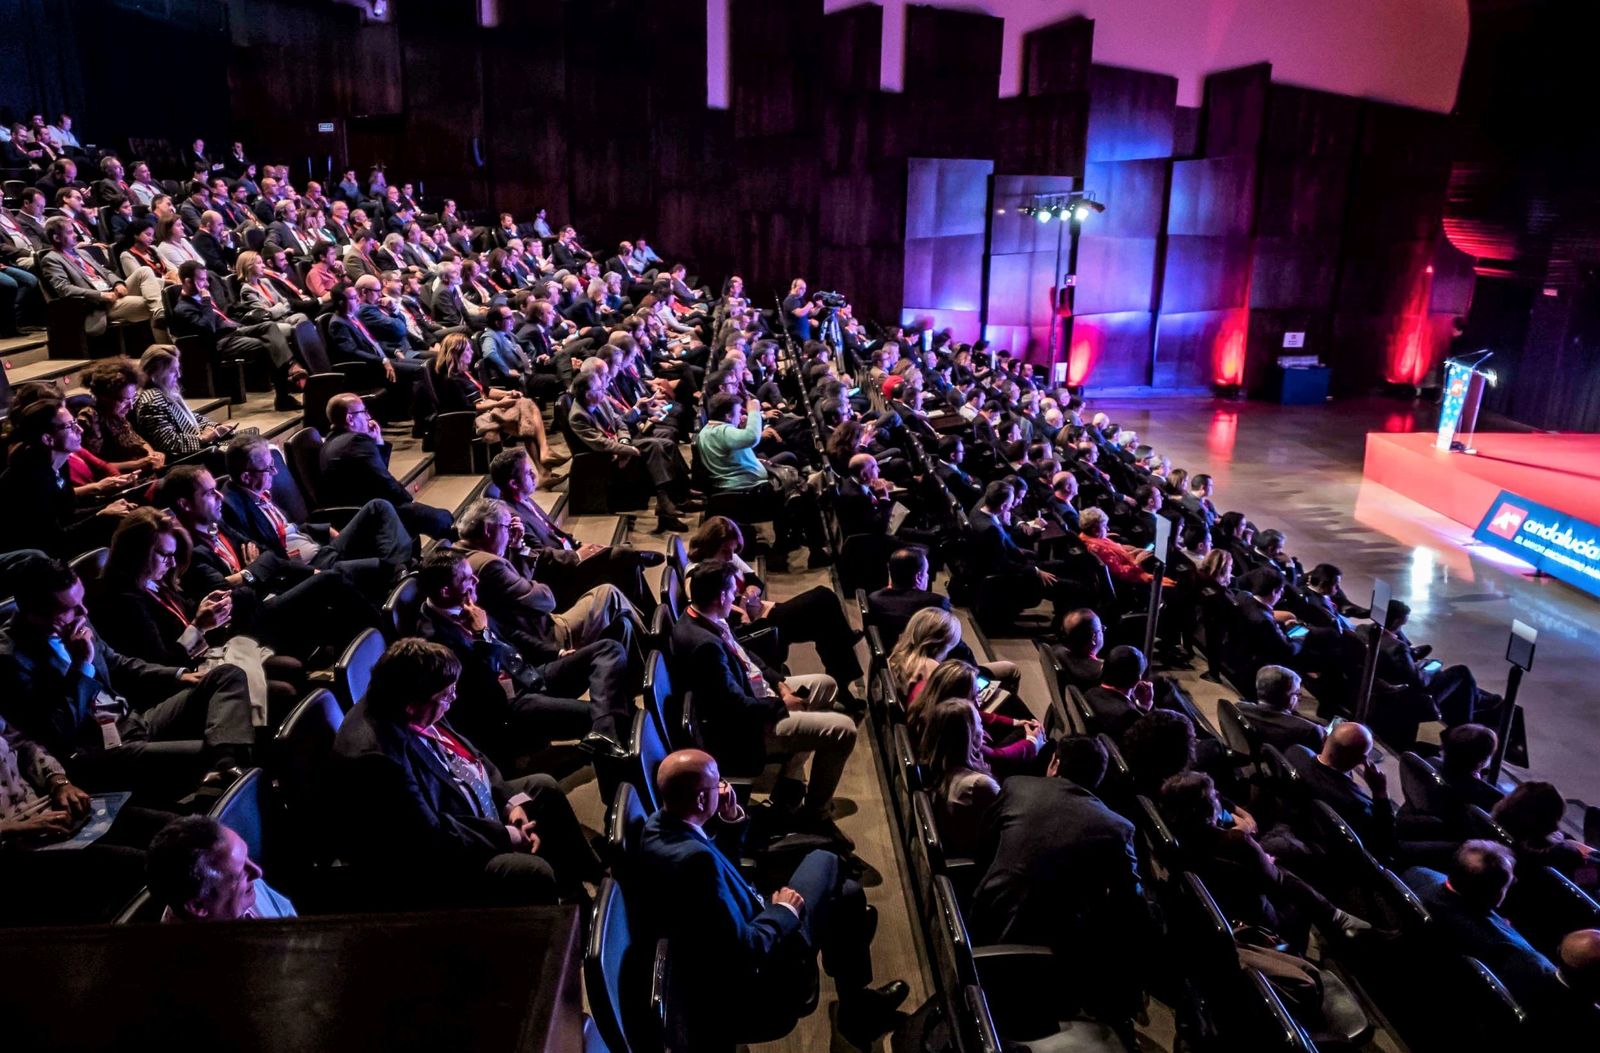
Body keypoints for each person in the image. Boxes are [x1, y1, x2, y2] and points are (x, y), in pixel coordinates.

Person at [638, 749, 909, 1050]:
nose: (724, 788)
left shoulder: (659, 825)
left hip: (746, 919)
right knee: (825, 859)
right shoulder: (696, 864)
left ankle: (857, 1007)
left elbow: (721, 875)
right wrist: (784, 910)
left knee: (848, 894)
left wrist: (730, 819)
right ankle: (857, 1009)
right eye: (717, 784)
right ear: (701, 800)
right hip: (762, 964)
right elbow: (746, 949)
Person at [331, 638, 603, 909]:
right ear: (411, 705)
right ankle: (562, 925)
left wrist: (509, 802)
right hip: (438, 862)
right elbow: (431, 836)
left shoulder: (409, 695)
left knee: (543, 788)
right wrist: (506, 834)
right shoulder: (378, 758)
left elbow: (470, 754)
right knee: (531, 872)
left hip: (465, 800)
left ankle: (590, 880)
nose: (453, 698)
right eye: (447, 695)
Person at [0, 558, 255, 802]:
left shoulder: (75, 617)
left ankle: (225, 767)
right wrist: (81, 667)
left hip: (131, 720)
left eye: (81, 601)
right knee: (212, 751)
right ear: (33, 613)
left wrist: (178, 675)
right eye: (70, 609)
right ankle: (225, 774)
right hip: (98, 752)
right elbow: (56, 732)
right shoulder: (10, 659)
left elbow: (117, 663)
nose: (83, 611)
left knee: (226, 675)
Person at [670, 560, 856, 843]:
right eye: (732, 591)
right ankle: (816, 814)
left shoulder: (704, 616)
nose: (736, 597)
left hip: (756, 694)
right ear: (720, 596)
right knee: (844, 731)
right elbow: (734, 708)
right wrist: (782, 706)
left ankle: (790, 782)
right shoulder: (704, 646)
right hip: (746, 729)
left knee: (826, 686)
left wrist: (780, 684)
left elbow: (745, 656)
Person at [969, 735, 1150, 1026]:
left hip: (982, 911)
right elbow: (1130, 901)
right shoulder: (1117, 827)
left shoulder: (1017, 786)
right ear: (1098, 777)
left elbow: (982, 845)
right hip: (1049, 945)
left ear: (1055, 763)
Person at [414, 547, 632, 760]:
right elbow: (484, 688)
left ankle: (604, 733)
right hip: (509, 705)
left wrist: (556, 653)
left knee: (609, 648)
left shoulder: (465, 601)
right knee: (605, 714)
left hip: (528, 674)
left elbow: (512, 635)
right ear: (445, 591)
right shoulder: (433, 641)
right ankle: (607, 736)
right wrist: (482, 635)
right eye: (467, 579)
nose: (476, 581)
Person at [1161, 771, 1371, 952]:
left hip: (1214, 908)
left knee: (1278, 861)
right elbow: (1275, 882)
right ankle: (1321, 933)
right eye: (1214, 795)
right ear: (1208, 808)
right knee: (1290, 877)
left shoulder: (1173, 835)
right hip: (1257, 921)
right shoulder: (1234, 842)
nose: (1218, 797)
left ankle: (1336, 918)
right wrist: (1263, 861)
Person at [0, 709, 173, 926]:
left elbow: (23, 745)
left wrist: (59, 782)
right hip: (11, 843)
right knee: (145, 866)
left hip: (44, 809)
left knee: (174, 831)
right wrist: (14, 827)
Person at [686, 516, 864, 706]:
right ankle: (843, 660)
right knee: (823, 601)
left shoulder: (727, 558)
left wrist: (748, 595)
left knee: (825, 619)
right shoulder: (697, 573)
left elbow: (754, 580)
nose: (731, 556)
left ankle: (841, 675)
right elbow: (704, 608)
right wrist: (743, 609)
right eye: (726, 551)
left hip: (763, 611)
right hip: (754, 628)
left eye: (733, 550)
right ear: (711, 545)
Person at [1403, 841, 1568, 1016]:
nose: (1515, 881)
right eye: (1508, 882)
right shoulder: (1514, 951)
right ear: (1495, 895)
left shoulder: (1416, 875)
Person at [486, 448, 661, 612]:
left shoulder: (523, 499)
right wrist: (577, 555)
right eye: (528, 472)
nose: (534, 474)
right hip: (560, 580)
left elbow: (552, 532)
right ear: (513, 483)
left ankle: (651, 614)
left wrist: (578, 544)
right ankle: (653, 615)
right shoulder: (512, 518)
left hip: (567, 557)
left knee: (624, 563)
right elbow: (538, 557)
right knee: (622, 556)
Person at [0, 400, 137, 556]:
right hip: (37, 555)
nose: (80, 430)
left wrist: (108, 508)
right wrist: (101, 516)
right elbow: (54, 540)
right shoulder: (28, 480)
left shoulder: (60, 463)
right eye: (70, 426)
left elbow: (68, 514)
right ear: (48, 439)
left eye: (75, 422)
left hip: (57, 542)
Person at [566, 370, 697, 533]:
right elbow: (601, 444)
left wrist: (624, 442)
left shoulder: (601, 400)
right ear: (587, 394)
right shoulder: (577, 416)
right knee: (654, 446)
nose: (603, 390)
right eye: (599, 388)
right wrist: (629, 450)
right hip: (606, 459)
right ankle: (666, 503)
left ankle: (679, 495)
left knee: (667, 445)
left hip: (622, 445)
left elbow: (619, 423)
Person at [431, 332, 564, 485]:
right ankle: (544, 457)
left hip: (488, 410)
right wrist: (500, 404)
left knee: (526, 412)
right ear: (456, 353)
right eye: (467, 350)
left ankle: (544, 470)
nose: (472, 352)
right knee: (527, 409)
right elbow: (470, 407)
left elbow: (486, 391)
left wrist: (508, 393)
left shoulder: (465, 372)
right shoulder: (450, 380)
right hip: (474, 419)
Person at [168, 261, 303, 411]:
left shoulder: (201, 296)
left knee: (270, 327)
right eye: (201, 279)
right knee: (267, 345)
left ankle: (291, 367)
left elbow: (224, 315)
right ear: (187, 282)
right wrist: (206, 300)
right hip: (220, 342)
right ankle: (284, 395)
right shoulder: (183, 308)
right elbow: (208, 328)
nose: (206, 283)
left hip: (234, 331)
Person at [319, 393, 455, 539]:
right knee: (442, 518)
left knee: (434, 519)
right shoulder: (356, 441)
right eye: (364, 412)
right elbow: (385, 480)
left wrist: (378, 441)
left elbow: (376, 471)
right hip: (369, 513)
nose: (368, 417)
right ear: (350, 419)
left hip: (357, 510)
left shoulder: (330, 442)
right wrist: (407, 499)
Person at [146, 815, 297, 922]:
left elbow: (288, 915)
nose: (257, 872)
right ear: (198, 906)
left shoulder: (248, 886)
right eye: (240, 875)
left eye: (247, 857)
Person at [1286, 721, 1394, 856]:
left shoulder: (1295, 752)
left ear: (1325, 739)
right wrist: (1380, 793)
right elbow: (1385, 843)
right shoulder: (1356, 804)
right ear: (1362, 760)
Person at [36, 216, 154, 338]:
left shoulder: (82, 253)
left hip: (113, 292)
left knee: (144, 271)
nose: (76, 235)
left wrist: (118, 283)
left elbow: (105, 272)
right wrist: (101, 295)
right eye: (70, 232)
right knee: (152, 304)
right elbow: (64, 289)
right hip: (99, 305)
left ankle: (159, 315)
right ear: (56, 238)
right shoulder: (51, 259)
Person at [920, 699, 999, 857]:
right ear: (968, 735)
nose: (983, 729)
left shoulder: (934, 769)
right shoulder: (979, 785)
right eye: (979, 723)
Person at [132, 345, 239, 458]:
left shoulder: (163, 391)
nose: (178, 375)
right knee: (239, 453)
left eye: (177, 369)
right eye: (172, 371)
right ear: (155, 374)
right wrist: (203, 438)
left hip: (196, 449)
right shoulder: (152, 400)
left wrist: (216, 427)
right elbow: (168, 442)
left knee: (243, 442)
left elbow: (192, 418)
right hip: (183, 459)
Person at [1492, 781, 1599, 890]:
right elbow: (1589, 883)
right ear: (1550, 820)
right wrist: (1568, 846)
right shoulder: (1563, 855)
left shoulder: (1497, 830)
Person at [74, 358, 166, 475]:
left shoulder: (117, 414)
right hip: (121, 480)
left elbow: (137, 440)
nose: (130, 406)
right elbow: (94, 466)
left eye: (132, 399)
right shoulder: (90, 417)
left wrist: (152, 455)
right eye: (124, 400)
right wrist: (138, 464)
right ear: (104, 397)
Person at [1238, 665, 1325, 753]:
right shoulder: (1309, 731)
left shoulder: (1239, 708)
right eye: (1297, 693)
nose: (1299, 698)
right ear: (1284, 697)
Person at [1050, 608, 1105, 692]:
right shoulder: (1100, 673)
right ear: (1094, 638)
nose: (1103, 630)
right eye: (1101, 628)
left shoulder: (1055, 651)